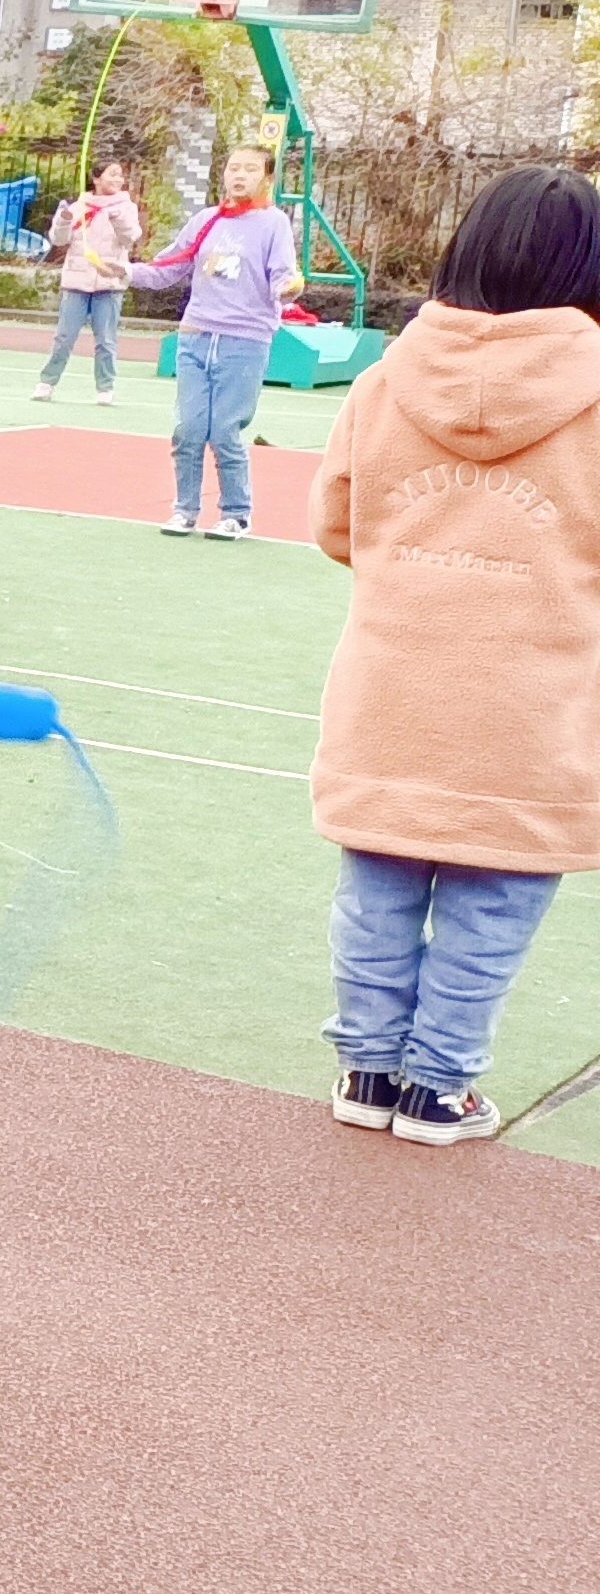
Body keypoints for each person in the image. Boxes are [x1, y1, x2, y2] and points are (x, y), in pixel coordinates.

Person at [310, 164, 600, 1147]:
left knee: (378, 887)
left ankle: (366, 1068)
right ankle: (438, 1087)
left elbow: (336, 526)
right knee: (495, 894)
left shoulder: (384, 379)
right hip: (534, 704)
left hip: (390, 685)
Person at [143, 142, 299, 537]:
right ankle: (185, 510)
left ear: (267, 177)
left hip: (244, 341)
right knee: (188, 429)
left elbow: (283, 273)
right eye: (233, 168)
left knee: (225, 429)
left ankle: (235, 513)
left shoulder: (273, 223)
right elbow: (168, 267)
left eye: (250, 169)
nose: (239, 175)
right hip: (195, 336)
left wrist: (288, 289)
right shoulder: (206, 221)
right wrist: (121, 272)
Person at [35, 159, 141, 402]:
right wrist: (62, 218)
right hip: (76, 282)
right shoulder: (81, 206)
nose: (117, 180)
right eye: (111, 174)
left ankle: (105, 387)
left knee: (105, 339)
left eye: (119, 175)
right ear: (96, 178)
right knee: (64, 337)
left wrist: (117, 220)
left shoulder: (127, 207)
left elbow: (130, 239)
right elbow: (59, 240)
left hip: (109, 283)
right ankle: (47, 382)